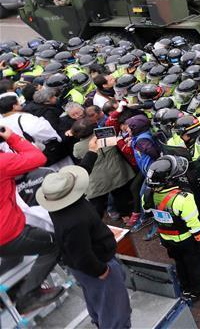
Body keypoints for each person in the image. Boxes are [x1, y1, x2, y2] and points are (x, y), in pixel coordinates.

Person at [37, 166, 132, 329]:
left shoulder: (60, 210)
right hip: (97, 265)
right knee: (115, 312)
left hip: (85, 266)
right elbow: (83, 256)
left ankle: (99, 322)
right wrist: (101, 271)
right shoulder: (75, 221)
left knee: (98, 302)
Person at [0, 124, 64, 314]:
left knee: (14, 257)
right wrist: (12, 137)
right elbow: (38, 157)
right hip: (8, 231)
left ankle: (10, 294)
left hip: (5, 234)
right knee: (55, 244)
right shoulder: (2, 162)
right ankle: (28, 296)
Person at [144, 155, 200, 302]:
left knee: (179, 263)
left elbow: (148, 212)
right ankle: (198, 289)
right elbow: (193, 223)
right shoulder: (183, 198)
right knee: (194, 264)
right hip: (186, 240)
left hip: (166, 238)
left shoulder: (147, 194)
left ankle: (185, 288)